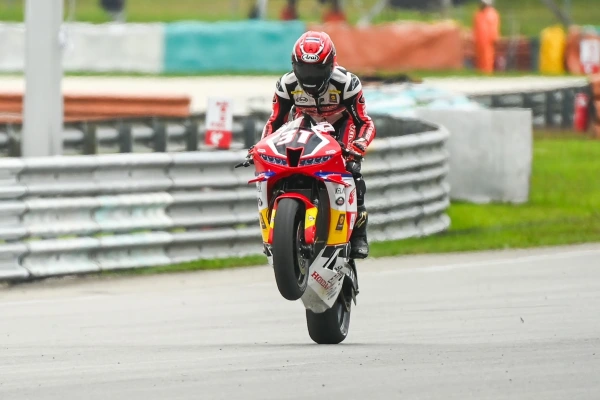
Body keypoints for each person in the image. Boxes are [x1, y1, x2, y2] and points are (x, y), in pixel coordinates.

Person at [260, 31, 376, 259]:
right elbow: (275, 121)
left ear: (331, 64)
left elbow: (365, 122)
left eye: (316, 70)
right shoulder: (286, 84)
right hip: (304, 125)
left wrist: (359, 146)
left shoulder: (347, 83)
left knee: (352, 171)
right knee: (278, 167)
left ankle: (358, 234)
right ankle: (276, 231)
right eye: (304, 69)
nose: (310, 76)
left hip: (340, 126)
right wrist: (260, 147)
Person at [473, 0, 500, 74]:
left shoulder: (492, 14)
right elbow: (476, 28)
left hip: (488, 41)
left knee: (487, 58)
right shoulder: (478, 14)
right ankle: (480, 72)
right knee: (479, 58)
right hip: (479, 41)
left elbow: (494, 28)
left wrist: (495, 37)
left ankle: (487, 72)